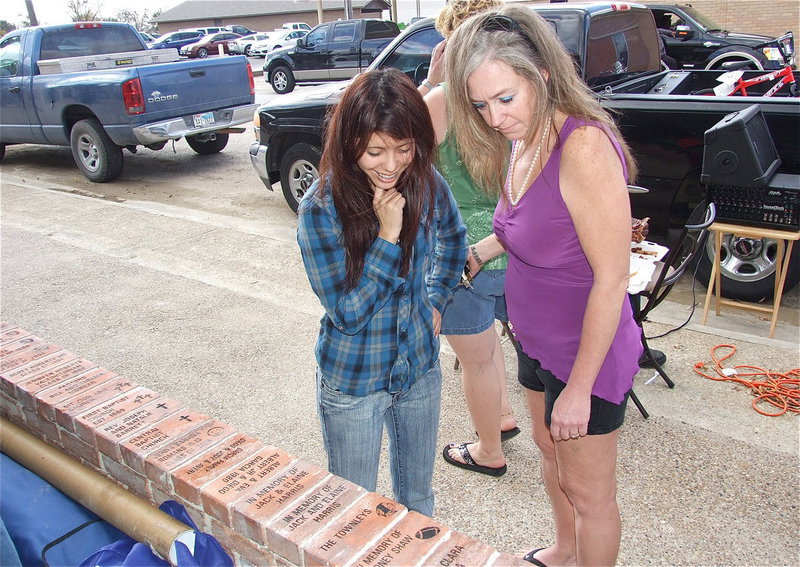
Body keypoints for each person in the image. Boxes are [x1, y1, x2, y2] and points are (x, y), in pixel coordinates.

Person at [445, 6, 643, 565]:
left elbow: (613, 279)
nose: (494, 117)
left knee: (591, 493)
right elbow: (533, 226)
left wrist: (580, 390)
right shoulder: (522, 136)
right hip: (537, 343)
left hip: (587, 356)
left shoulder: (581, 147)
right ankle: (563, 550)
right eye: (481, 106)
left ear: (543, 77)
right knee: (550, 456)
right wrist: (479, 252)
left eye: (505, 99)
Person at [296, 68, 467, 517]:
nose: (390, 165)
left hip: (419, 370)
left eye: (403, 149)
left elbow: (455, 236)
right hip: (354, 379)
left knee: (418, 500)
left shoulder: (425, 182)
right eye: (375, 151)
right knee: (354, 510)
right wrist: (388, 240)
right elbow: (348, 314)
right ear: (351, 141)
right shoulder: (321, 208)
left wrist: (436, 297)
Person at [417, 0, 519, 478]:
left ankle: (488, 451)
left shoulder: (444, 100)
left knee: (475, 359)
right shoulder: (513, 94)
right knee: (490, 343)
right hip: (512, 243)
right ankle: (501, 418)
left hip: (462, 252)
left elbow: (398, 149)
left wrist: (432, 80)